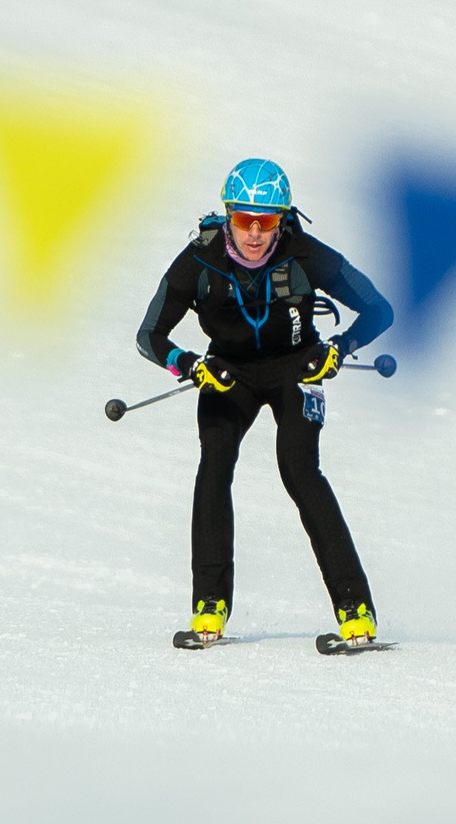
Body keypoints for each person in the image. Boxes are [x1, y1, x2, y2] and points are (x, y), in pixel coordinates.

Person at [134, 157, 394, 647]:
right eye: (244, 220)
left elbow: (379, 308)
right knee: (214, 466)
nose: (255, 234)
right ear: (227, 215)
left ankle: (355, 609)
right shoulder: (199, 259)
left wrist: (339, 350)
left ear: (283, 219)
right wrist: (188, 365)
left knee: (299, 469)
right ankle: (209, 607)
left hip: (298, 367)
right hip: (227, 373)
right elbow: (150, 335)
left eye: (268, 221)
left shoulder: (304, 253)